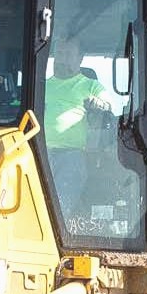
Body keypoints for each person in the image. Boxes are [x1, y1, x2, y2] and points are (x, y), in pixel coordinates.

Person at [42, 39, 113, 220]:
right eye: (59, 54)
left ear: (80, 59)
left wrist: (97, 103)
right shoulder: (41, 86)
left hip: (71, 155)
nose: (62, 59)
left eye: (68, 54)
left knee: (58, 206)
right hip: (37, 152)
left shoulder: (90, 86)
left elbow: (107, 106)